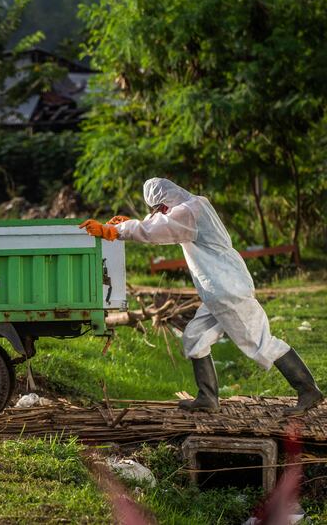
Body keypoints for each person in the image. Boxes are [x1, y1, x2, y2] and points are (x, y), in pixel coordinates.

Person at [80, 177, 323, 415]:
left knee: (261, 343)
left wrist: (115, 230)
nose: (159, 212)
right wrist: (129, 223)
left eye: (159, 208)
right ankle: (208, 398)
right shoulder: (193, 205)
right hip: (219, 290)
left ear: (166, 201)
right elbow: (161, 222)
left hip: (227, 290)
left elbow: (158, 230)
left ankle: (308, 390)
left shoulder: (189, 211)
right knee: (195, 337)